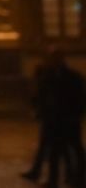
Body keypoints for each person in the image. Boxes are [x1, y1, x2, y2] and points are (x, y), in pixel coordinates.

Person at [21, 48, 86, 188]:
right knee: (55, 152)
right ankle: (53, 180)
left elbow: (80, 99)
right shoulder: (47, 76)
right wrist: (39, 110)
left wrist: (76, 115)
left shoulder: (74, 77)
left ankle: (79, 178)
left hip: (69, 119)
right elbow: (41, 96)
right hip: (52, 119)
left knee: (75, 148)